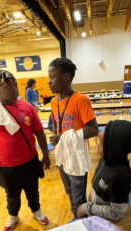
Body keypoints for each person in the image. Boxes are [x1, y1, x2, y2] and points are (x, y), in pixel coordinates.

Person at [0, 70, 50, 231]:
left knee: (33, 190)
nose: (13, 89)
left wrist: (46, 155)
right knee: (11, 194)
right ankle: (13, 216)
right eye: (7, 86)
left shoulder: (26, 107)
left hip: (30, 160)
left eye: (14, 85)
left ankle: (36, 211)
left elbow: (39, 132)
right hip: (6, 165)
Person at [48, 57, 99, 219]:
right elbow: (56, 124)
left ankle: (83, 222)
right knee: (69, 192)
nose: (49, 82)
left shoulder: (81, 100)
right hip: (62, 155)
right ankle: (76, 218)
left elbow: (93, 129)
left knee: (78, 197)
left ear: (66, 77)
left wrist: (62, 137)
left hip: (76, 156)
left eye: (52, 77)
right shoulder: (53, 102)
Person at [77, 120, 131, 220]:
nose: (97, 146)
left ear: (113, 148)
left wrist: (87, 208)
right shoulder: (105, 159)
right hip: (95, 214)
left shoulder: (120, 177)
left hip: (105, 222)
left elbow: (117, 213)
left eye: (101, 143)